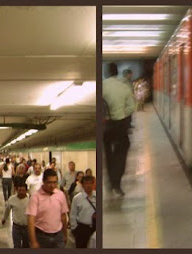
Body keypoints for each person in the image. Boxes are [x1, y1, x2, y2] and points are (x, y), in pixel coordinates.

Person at [103, 62, 136, 197]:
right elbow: (131, 107)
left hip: (106, 125)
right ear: (117, 72)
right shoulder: (124, 88)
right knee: (121, 152)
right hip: (120, 124)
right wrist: (121, 114)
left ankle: (110, 182)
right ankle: (117, 183)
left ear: (106, 73)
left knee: (109, 154)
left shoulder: (102, 86)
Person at [26, 169, 69, 248]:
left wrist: (65, 234)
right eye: (49, 182)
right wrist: (33, 241)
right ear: (43, 181)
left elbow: (63, 216)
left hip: (58, 236)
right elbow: (31, 220)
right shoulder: (35, 197)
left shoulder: (61, 195)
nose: (52, 185)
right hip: (41, 236)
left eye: (54, 182)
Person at [70, 176, 96, 248]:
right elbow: (73, 214)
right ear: (83, 185)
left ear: (94, 184)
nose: (89, 185)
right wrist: (75, 229)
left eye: (91, 183)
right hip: (82, 228)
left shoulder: (97, 196)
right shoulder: (77, 198)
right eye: (86, 183)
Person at [3, 180, 30, 248]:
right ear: (16, 190)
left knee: (26, 245)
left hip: (27, 227)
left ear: (26, 191)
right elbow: (7, 210)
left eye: (23, 190)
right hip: (16, 227)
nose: (21, 192)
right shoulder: (12, 199)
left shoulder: (30, 200)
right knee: (17, 245)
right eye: (19, 190)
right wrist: (4, 218)